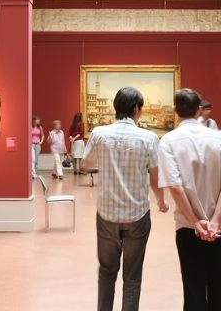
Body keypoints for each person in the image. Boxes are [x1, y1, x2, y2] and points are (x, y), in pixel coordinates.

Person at [82, 87, 168, 311]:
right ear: (136, 108)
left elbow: (85, 164)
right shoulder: (148, 138)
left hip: (107, 214)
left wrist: (108, 162)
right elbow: (155, 178)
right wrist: (161, 202)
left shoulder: (99, 134)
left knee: (106, 271)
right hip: (136, 214)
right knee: (132, 275)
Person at [158, 88, 221, 311]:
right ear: (198, 110)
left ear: (175, 110)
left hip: (187, 226)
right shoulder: (220, 139)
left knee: (192, 286)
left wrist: (196, 222)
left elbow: (175, 186)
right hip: (219, 227)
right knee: (216, 284)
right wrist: (214, 221)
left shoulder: (169, 141)